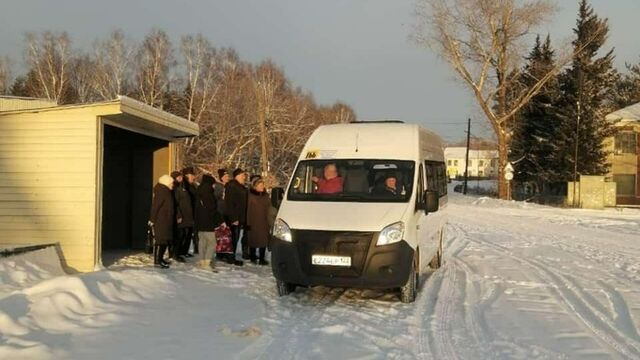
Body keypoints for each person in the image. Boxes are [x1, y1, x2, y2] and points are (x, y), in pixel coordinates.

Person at [195, 174, 223, 272]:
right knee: (212, 242)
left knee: (202, 241)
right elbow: (212, 209)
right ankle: (207, 262)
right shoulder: (208, 193)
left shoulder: (198, 191)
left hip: (199, 221)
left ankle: (202, 260)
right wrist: (220, 220)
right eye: (213, 184)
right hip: (208, 221)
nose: (214, 186)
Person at [149, 175, 175, 269]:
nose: (173, 185)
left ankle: (160, 259)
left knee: (164, 240)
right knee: (161, 240)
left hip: (165, 220)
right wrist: (152, 219)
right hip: (161, 220)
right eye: (171, 183)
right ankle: (157, 260)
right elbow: (155, 206)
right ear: (167, 183)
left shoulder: (166, 191)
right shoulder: (162, 192)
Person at [224, 168, 248, 266]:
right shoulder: (232, 186)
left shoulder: (240, 187)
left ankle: (231, 256)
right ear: (237, 176)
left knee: (236, 238)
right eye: (243, 175)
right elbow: (230, 203)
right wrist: (234, 218)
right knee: (233, 238)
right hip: (234, 218)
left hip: (239, 217)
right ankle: (230, 257)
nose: (244, 177)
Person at [247, 176, 271, 265]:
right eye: (260, 185)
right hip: (253, 221)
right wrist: (248, 222)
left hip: (264, 221)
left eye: (262, 184)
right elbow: (248, 209)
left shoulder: (266, 196)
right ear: (255, 186)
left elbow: (269, 208)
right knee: (253, 239)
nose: (262, 186)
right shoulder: (251, 196)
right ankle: (252, 256)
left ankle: (261, 258)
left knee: (263, 240)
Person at [170, 171, 190, 263]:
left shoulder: (181, 187)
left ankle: (178, 252)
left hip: (185, 215)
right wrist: (178, 215)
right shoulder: (175, 188)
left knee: (182, 235)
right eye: (179, 177)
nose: (181, 178)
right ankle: (175, 254)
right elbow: (175, 203)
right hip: (180, 216)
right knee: (179, 235)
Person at [182, 167, 199, 255]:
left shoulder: (192, 186)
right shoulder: (184, 186)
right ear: (186, 175)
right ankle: (182, 251)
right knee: (185, 233)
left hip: (193, 213)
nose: (193, 177)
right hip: (186, 214)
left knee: (189, 234)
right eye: (191, 175)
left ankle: (185, 250)